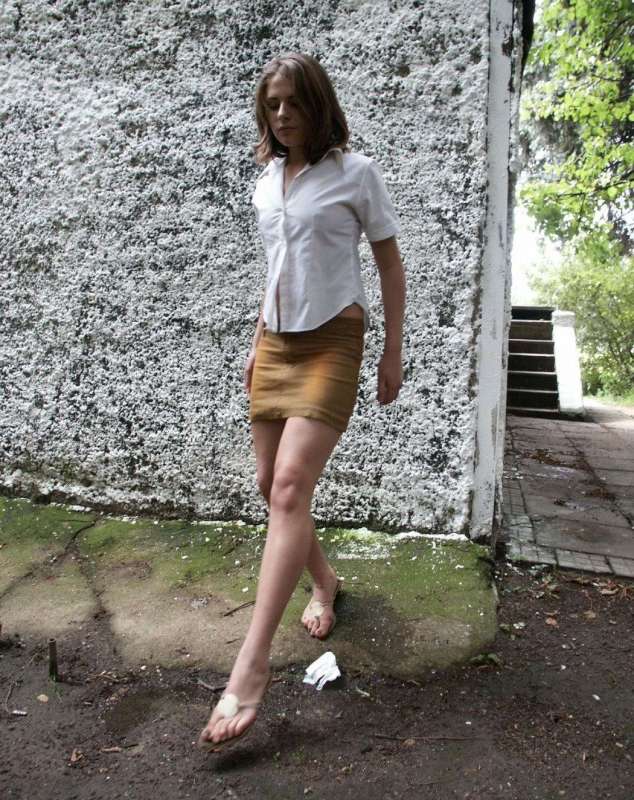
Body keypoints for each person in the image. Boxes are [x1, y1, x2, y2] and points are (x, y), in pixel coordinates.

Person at [197, 52, 406, 751]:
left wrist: (392, 350)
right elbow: (277, 269)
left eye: (292, 101)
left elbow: (389, 264)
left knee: (289, 487)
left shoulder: (356, 174)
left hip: (333, 342)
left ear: (318, 104)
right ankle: (325, 583)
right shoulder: (266, 183)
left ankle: (251, 665)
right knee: (270, 484)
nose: (281, 114)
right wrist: (257, 342)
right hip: (276, 345)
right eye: (272, 104)